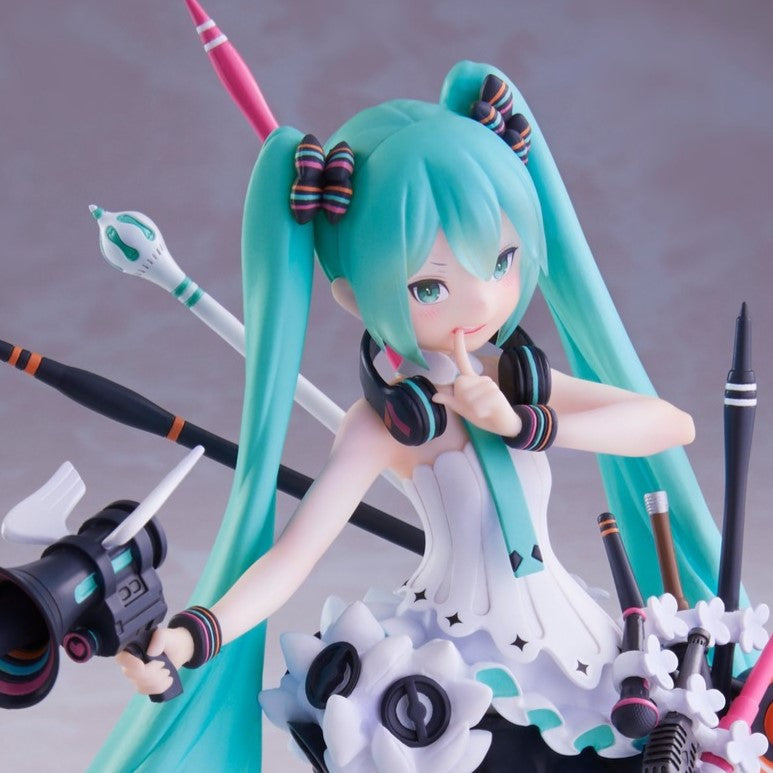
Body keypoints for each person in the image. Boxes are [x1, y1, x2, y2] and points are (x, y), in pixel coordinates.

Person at [98, 61, 728, 772]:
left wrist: (530, 423)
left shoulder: (516, 380)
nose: (480, 302)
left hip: (574, 648)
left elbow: (671, 425)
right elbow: (293, 556)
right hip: (447, 659)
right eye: (429, 286)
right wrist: (192, 635)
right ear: (352, 295)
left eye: (501, 261)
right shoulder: (380, 427)